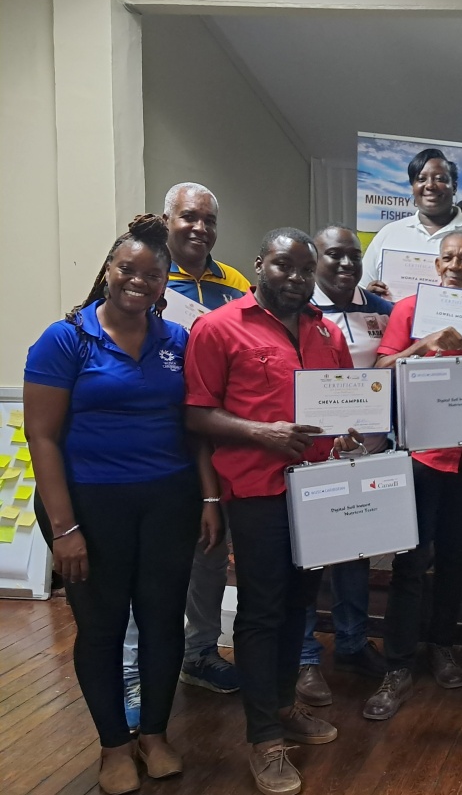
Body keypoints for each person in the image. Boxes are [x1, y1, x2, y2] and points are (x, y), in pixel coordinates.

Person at [24, 214, 221, 794]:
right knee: (102, 626)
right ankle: (113, 744)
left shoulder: (177, 340)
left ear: (165, 283)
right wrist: (65, 529)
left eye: (152, 274)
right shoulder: (65, 339)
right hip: (89, 505)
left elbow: (193, 427)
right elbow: (41, 437)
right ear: (107, 270)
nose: (138, 281)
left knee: (162, 620)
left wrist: (209, 496)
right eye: (127, 269)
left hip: (168, 502)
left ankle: (154, 734)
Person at [185, 228, 360, 795]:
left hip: (318, 491)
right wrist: (263, 432)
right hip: (257, 492)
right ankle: (263, 738)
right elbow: (197, 413)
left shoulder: (326, 331)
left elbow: (342, 404)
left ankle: (283, 707)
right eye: (284, 265)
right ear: (259, 263)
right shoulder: (218, 327)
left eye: (305, 270)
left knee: (299, 606)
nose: (296, 278)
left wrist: (348, 434)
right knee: (261, 612)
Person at [364, 230, 462, 721]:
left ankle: (442, 645)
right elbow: (382, 368)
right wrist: (423, 344)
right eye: (448, 257)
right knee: (410, 561)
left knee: (453, 559)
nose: (455, 266)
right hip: (421, 458)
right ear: (436, 265)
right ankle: (398, 665)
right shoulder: (409, 310)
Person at [295, 226, 394, 708]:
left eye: (353, 255)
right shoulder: (297, 310)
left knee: (356, 552)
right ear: (315, 259)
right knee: (309, 557)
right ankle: (305, 655)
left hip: (367, 450)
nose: (345, 264)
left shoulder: (383, 310)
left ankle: (353, 643)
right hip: (311, 453)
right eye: (334, 254)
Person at [163, 182, 249, 700]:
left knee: (210, 551)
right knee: (154, 557)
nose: (200, 228)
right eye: (189, 217)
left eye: (209, 220)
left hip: (215, 437)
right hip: (158, 438)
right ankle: (146, 658)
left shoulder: (234, 282)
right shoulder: (148, 276)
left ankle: (199, 652)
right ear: (167, 221)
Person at [360, 147, 462, 317]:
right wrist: (370, 296)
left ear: (454, 187)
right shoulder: (389, 233)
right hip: (398, 330)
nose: (430, 185)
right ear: (413, 187)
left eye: (440, 179)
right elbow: (361, 289)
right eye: (421, 179)